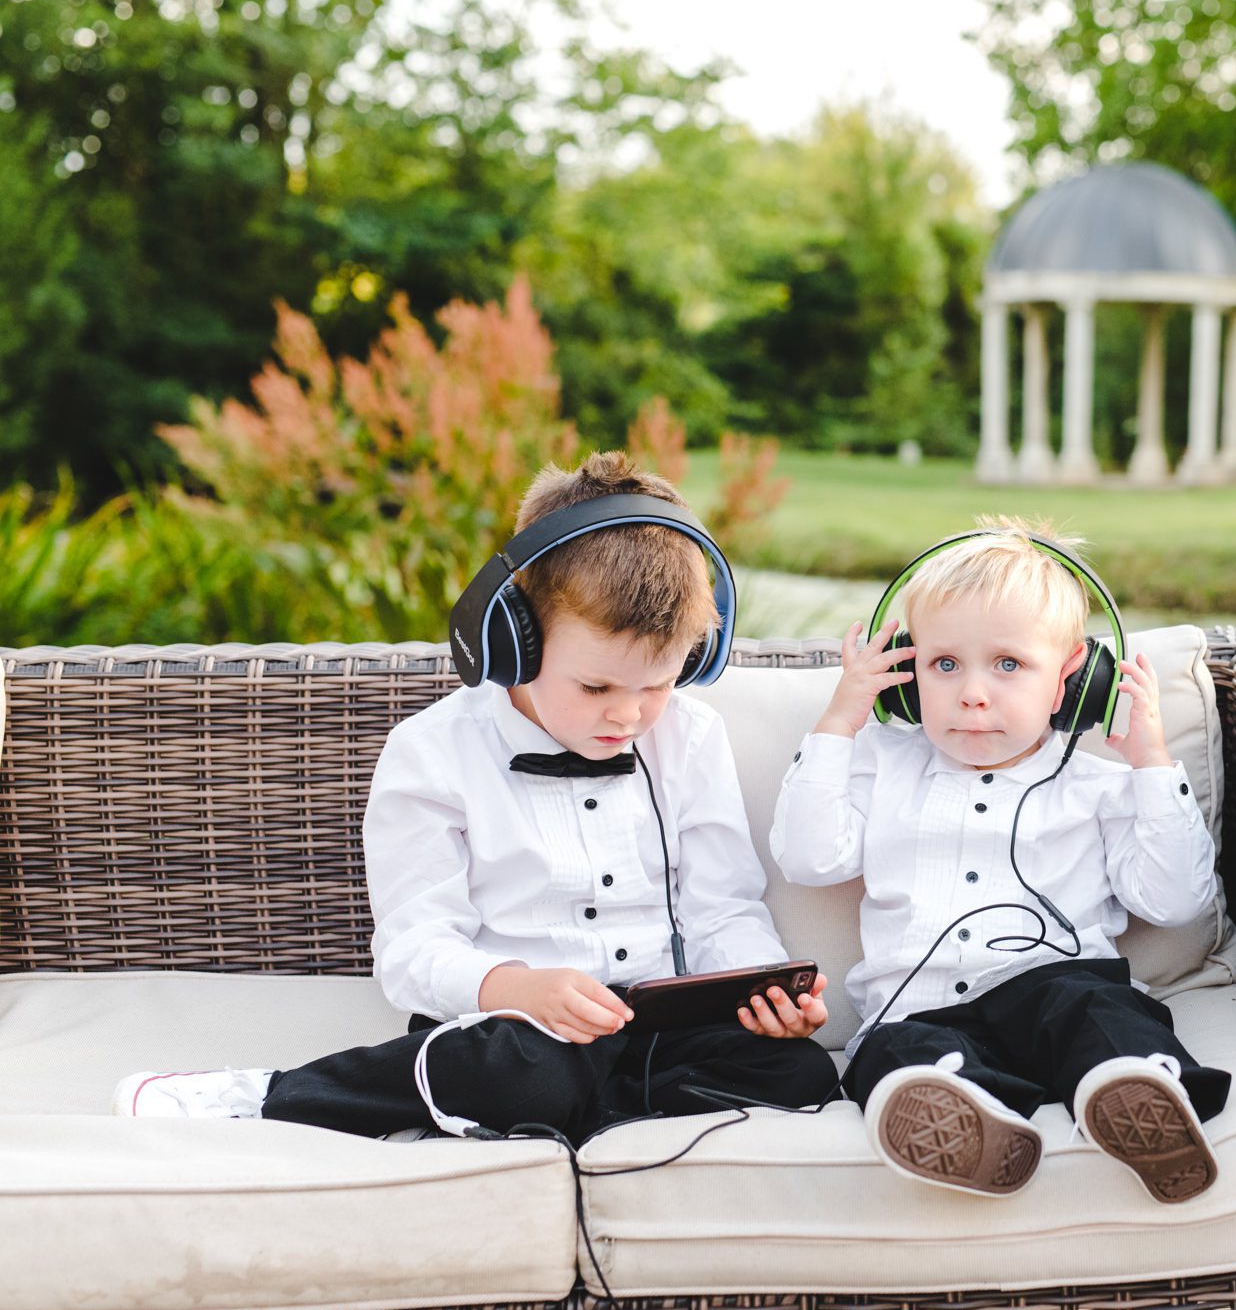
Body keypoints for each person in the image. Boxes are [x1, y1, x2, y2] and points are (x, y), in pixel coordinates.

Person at [114, 452, 836, 1142]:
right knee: (524, 1074)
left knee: (797, 1070)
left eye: (657, 685)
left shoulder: (690, 735)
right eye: (596, 687)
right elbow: (413, 947)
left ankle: (569, 1107)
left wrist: (762, 993)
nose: (629, 715)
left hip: (654, 1027)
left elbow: (720, 907)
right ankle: (267, 1094)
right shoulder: (432, 753)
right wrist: (513, 987)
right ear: (514, 637)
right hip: (513, 1026)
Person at [769, 519, 1229, 1202]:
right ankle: (964, 1121)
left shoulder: (1098, 783)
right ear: (905, 672)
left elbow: (1173, 901)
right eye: (944, 664)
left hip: (1053, 988)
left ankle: (1133, 1088)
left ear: (1073, 677)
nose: (972, 692)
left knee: (1098, 1007)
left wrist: (1151, 763)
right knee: (893, 1054)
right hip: (917, 1007)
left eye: (1009, 664)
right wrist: (841, 720)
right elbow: (808, 858)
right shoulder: (879, 760)